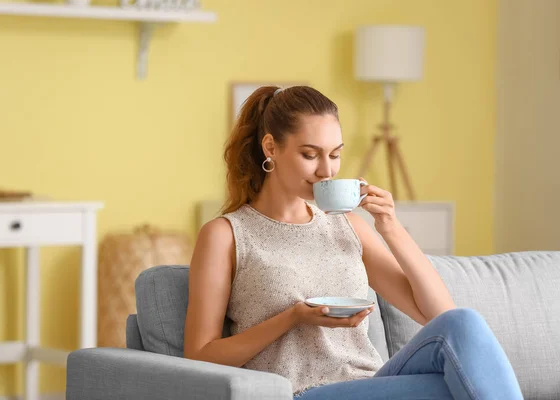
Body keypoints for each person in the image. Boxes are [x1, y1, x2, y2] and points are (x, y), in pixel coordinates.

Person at [183, 85, 523, 399]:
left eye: (335, 155)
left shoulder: (347, 226)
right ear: (271, 147)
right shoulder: (227, 234)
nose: (326, 171)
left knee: (462, 325)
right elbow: (200, 356)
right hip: (302, 391)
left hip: (371, 383)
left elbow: (437, 314)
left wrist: (389, 226)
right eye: (310, 154)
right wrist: (292, 317)